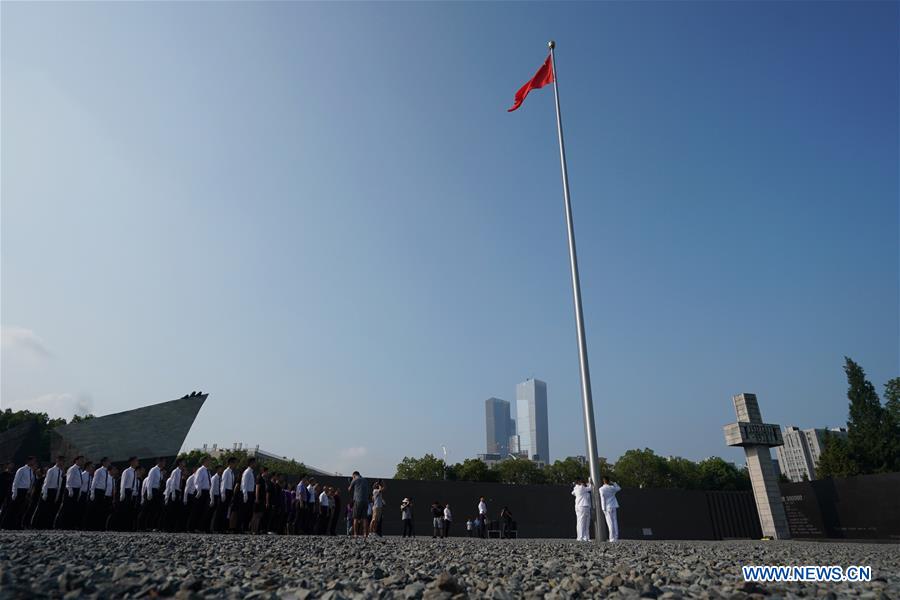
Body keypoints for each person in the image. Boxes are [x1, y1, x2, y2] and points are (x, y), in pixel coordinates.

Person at [3, 457, 36, 529]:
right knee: (14, 509)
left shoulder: (31, 471)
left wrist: (30, 491)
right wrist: (14, 492)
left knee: (22, 509)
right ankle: (6, 525)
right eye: (33, 461)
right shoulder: (22, 470)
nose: (34, 463)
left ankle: (18, 524)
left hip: (26, 491)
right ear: (29, 461)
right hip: (20, 490)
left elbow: (31, 481)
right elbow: (16, 481)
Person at [32, 456, 64, 529]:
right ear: (57, 461)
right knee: (43, 509)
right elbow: (46, 482)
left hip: (54, 491)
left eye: (63, 461)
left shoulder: (60, 471)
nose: (61, 462)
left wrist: (57, 494)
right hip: (48, 490)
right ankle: (37, 525)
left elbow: (59, 484)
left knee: (51, 509)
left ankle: (48, 525)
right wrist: (45, 493)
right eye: (60, 461)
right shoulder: (51, 470)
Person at [55, 456, 84, 529]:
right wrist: (70, 490)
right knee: (66, 508)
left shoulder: (79, 470)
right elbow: (69, 480)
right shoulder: (72, 469)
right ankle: (61, 525)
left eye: (82, 460)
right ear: (76, 461)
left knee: (73, 509)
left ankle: (70, 524)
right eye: (80, 460)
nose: (82, 461)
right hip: (70, 489)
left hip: (77, 490)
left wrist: (79, 491)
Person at [190, 456, 212, 532]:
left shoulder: (208, 471)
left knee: (204, 511)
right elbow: (197, 481)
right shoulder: (200, 470)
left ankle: (200, 527)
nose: (209, 462)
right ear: (204, 461)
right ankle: (192, 528)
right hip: (200, 491)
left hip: (206, 492)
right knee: (197, 510)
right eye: (208, 460)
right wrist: (198, 490)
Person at [599, 476, 621, 542]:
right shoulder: (612, 488)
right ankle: (616, 537)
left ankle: (611, 538)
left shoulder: (601, 489)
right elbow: (619, 488)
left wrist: (603, 508)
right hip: (614, 505)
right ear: (609, 481)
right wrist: (614, 483)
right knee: (615, 522)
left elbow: (602, 499)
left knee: (610, 523)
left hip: (607, 507)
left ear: (603, 481)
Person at [348, 471, 369, 538]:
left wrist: (351, 483)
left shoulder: (355, 479)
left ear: (354, 475)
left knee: (356, 518)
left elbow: (349, 489)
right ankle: (365, 534)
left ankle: (355, 534)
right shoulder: (365, 480)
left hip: (358, 500)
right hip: (365, 501)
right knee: (365, 518)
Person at [240, 458, 256, 533]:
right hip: (247, 493)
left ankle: (246, 528)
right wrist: (245, 494)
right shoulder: (247, 472)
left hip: (251, 493)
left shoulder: (251, 472)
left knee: (249, 512)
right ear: (250, 463)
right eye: (254, 463)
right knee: (245, 512)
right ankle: (243, 528)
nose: (255, 464)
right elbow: (244, 484)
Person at [209, 464, 222, 532]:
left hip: (218, 496)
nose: (221, 470)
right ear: (217, 470)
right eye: (220, 469)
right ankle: (210, 528)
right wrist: (212, 499)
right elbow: (212, 489)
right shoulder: (214, 478)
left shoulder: (220, 478)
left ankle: (214, 528)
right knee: (211, 513)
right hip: (214, 496)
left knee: (216, 513)